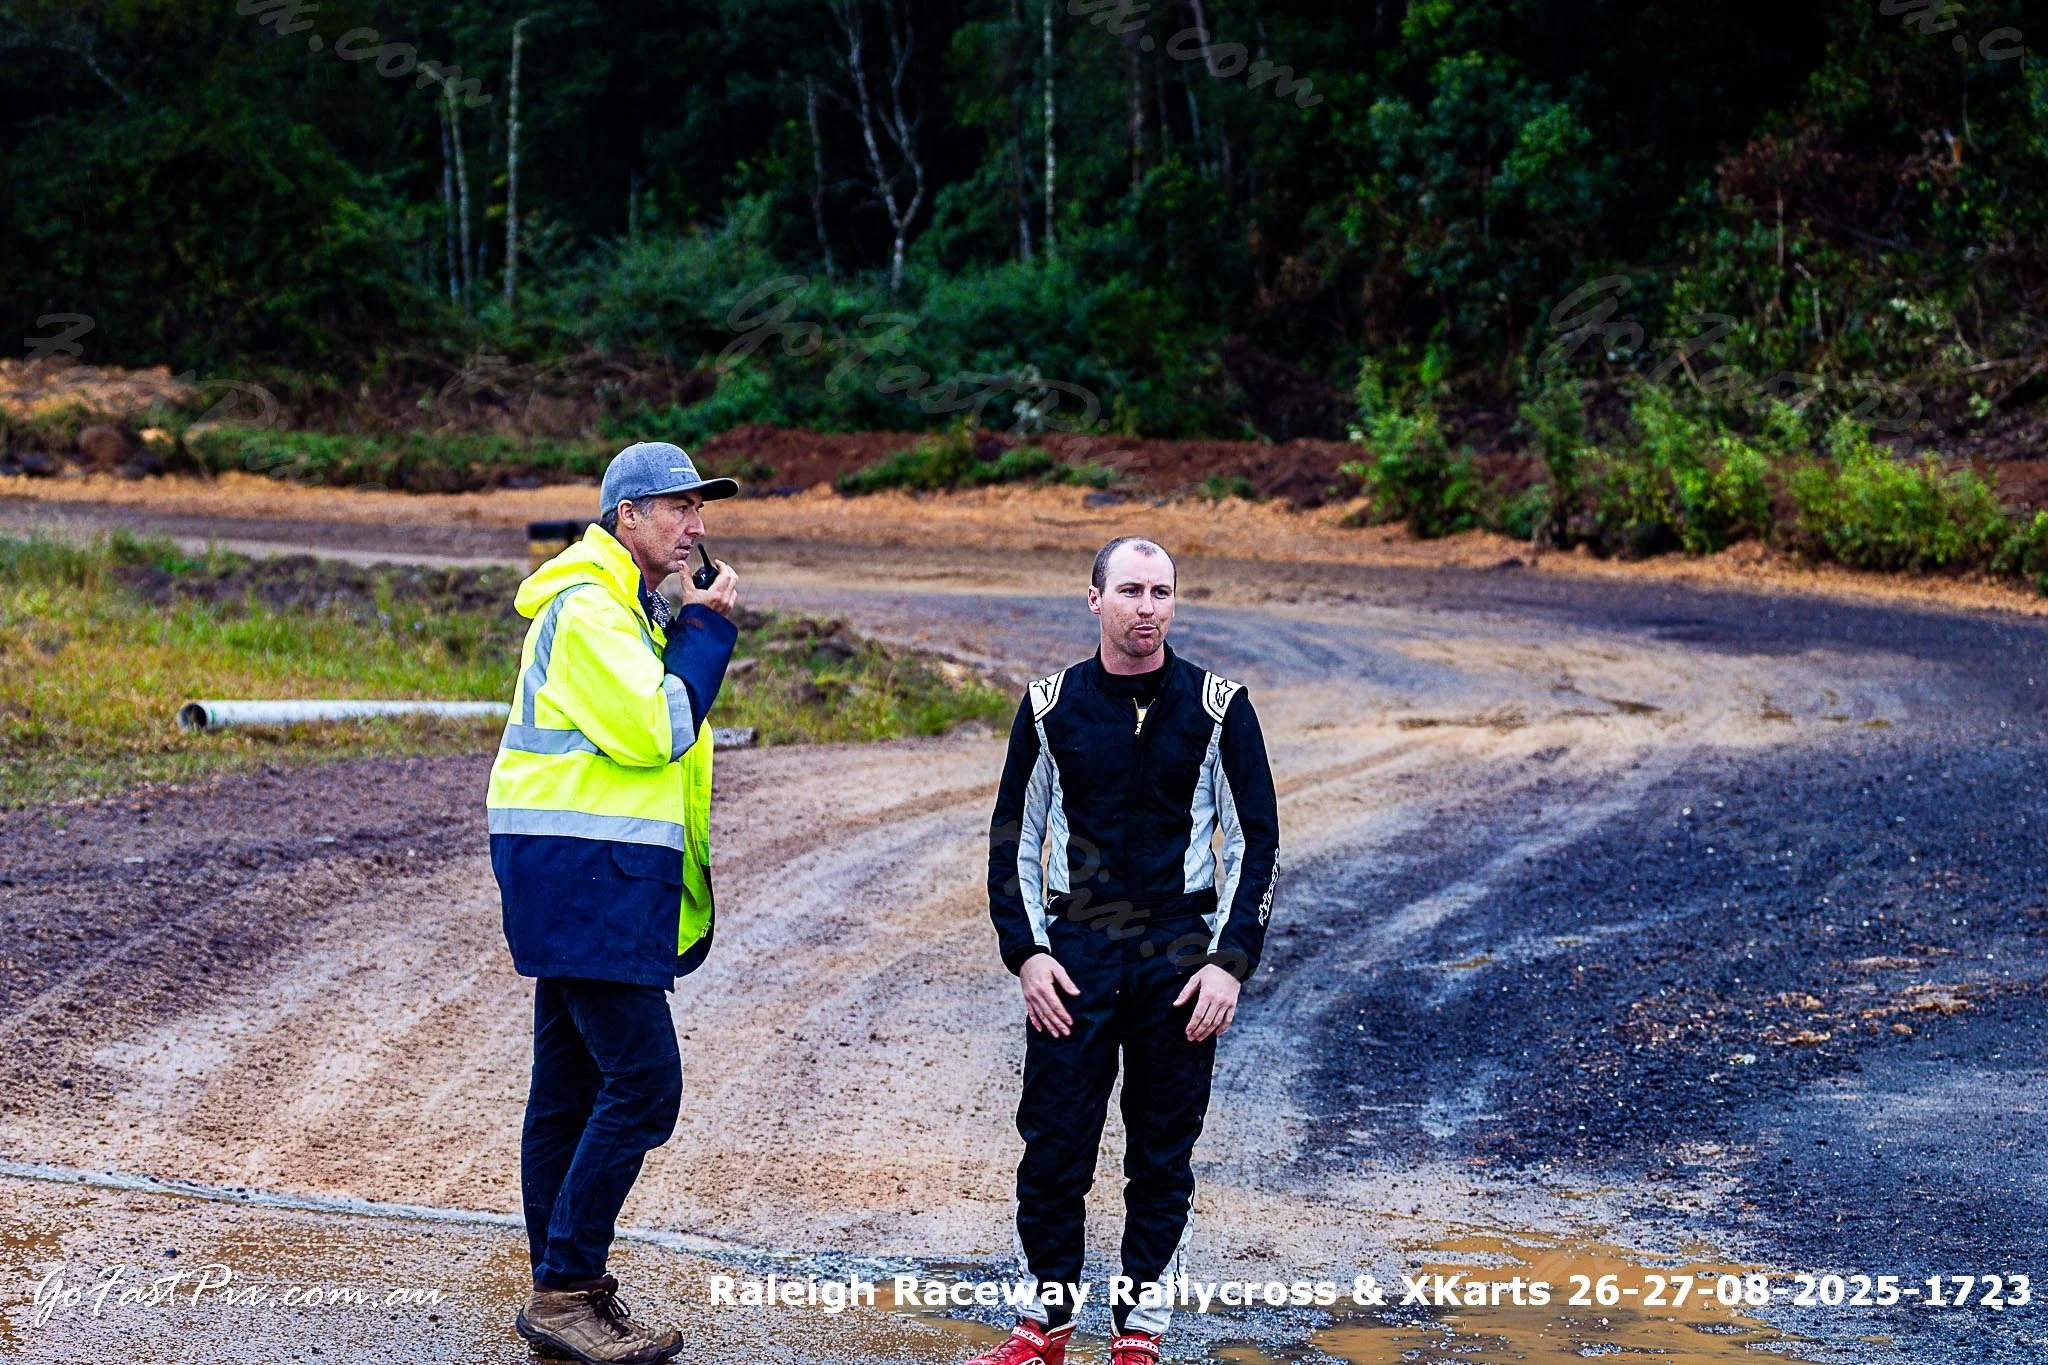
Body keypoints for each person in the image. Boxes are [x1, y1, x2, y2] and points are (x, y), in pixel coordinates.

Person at [971, 536, 1281, 1365]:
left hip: (1181, 960)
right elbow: (1014, 841)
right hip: (1075, 954)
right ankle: (1044, 1326)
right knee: (1053, 1146)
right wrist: (1028, 954)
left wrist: (1229, 960)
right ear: (1094, 599)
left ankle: (1138, 1334)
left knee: (1162, 1154)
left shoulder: (1219, 706)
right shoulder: (1048, 706)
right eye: (1132, 590)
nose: (1148, 607)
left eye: (1163, 592)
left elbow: (1259, 843)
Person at [486, 441, 741, 1364]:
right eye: (678, 507)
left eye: (699, 510)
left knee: (567, 1091)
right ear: (625, 517)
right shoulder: (592, 607)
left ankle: (566, 1289)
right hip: (584, 874)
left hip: (583, 871)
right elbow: (653, 730)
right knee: (644, 1086)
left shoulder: (625, 605)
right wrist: (706, 633)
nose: (696, 525)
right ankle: (564, 1289)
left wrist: (677, 620)